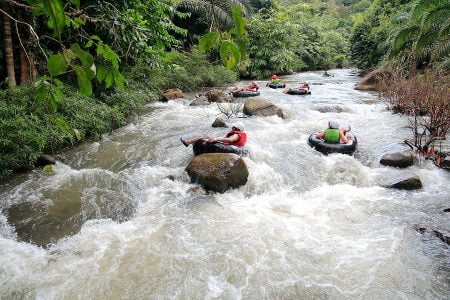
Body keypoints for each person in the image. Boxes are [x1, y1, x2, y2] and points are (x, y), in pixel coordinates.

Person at [180, 123, 247, 152]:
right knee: (205, 136)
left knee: (204, 136)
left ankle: (188, 142)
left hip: (229, 147)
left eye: (233, 127)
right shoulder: (238, 134)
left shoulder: (237, 134)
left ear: (237, 128)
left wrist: (216, 138)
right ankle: (191, 142)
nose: (232, 128)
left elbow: (230, 140)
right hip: (230, 147)